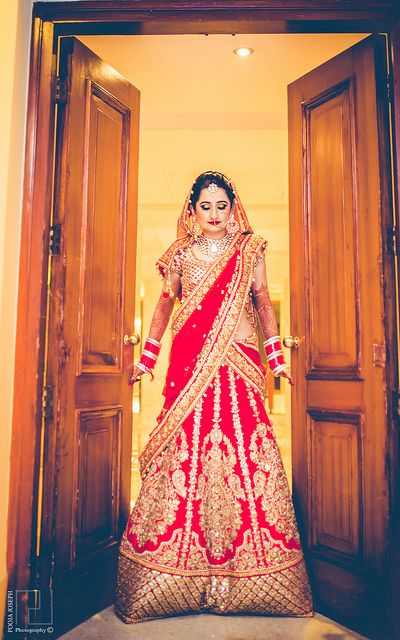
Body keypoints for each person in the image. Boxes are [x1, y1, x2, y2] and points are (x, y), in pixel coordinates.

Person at [114, 170, 313, 622]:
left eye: (222, 206)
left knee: (246, 456)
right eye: (206, 206)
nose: (215, 215)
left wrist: (276, 356)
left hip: (240, 365)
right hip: (191, 370)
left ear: (233, 206)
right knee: (186, 460)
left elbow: (262, 302)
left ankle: (256, 578)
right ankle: (171, 577)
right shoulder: (180, 255)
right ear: (192, 209)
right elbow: (165, 304)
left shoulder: (250, 250)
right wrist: (146, 357)